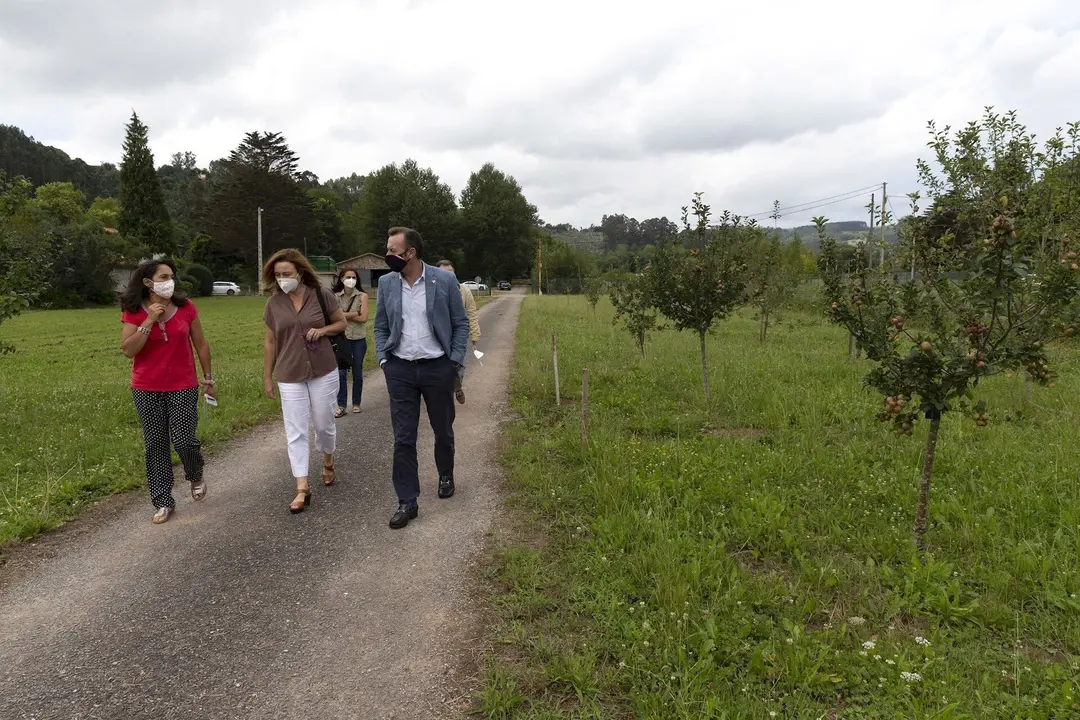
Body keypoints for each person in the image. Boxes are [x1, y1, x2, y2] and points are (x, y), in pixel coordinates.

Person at [374, 227, 469, 529]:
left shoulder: (443, 280)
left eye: (392, 250)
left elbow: (460, 323)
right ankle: (407, 501)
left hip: (437, 366)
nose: (388, 255)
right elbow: (380, 326)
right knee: (403, 437)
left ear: (410, 252)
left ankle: (445, 473)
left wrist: (453, 362)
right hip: (400, 369)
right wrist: (384, 359)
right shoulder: (387, 283)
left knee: (442, 428)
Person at [120, 258, 215, 524]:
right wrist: (149, 319)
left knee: (185, 439)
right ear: (148, 283)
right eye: (163, 277)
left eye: (171, 276)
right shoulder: (134, 310)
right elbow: (129, 349)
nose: (169, 281)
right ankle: (162, 500)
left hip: (183, 385)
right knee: (156, 444)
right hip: (146, 388)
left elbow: (201, 344)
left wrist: (208, 379)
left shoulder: (186, 308)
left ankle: (195, 474)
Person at [262, 248, 348, 514]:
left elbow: (341, 323)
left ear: (299, 272)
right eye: (277, 275)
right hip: (289, 373)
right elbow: (270, 341)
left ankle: (328, 459)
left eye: (286, 273)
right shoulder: (274, 303)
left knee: (323, 423)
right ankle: (302, 486)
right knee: (295, 430)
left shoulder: (321, 295)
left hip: (322, 369)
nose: (282, 279)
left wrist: (322, 330)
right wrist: (268, 376)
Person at [435, 260, 481, 405]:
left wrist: (475, 334)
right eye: (444, 273)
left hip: (458, 335)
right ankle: (441, 392)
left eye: (451, 273)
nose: (448, 276)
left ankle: (457, 386)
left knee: (457, 365)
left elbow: (471, 313)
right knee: (438, 366)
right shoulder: (432, 290)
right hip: (438, 335)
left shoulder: (464, 291)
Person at [332, 268, 370, 417]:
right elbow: (334, 318)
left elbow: (364, 318)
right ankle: (341, 405)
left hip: (359, 339)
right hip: (342, 340)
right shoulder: (335, 297)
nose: (351, 280)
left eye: (354, 277)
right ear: (341, 278)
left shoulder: (363, 296)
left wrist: (344, 316)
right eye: (348, 277)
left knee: (357, 372)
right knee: (341, 373)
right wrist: (355, 313)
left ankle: (356, 403)